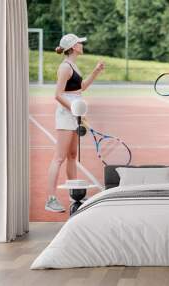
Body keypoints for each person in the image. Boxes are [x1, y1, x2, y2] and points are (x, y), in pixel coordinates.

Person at [45, 34, 105, 212]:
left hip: (74, 111)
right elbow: (57, 94)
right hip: (66, 114)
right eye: (79, 42)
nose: (82, 44)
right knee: (59, 158)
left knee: (72, 156)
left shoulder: (73, 65)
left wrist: (96, 71)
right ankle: (50, 199)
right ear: (73, 46)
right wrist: (74, 109)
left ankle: (75, 195)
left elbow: (81, 88)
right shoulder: (64, 67)